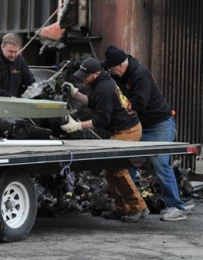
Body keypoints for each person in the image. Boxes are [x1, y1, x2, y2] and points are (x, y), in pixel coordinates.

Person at [102, 45, 187, 221]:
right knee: (124, 162)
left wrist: (117, 108)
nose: (111, 72)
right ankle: (132, 206)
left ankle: (176, 207)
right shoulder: (117, 76)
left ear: (120, 65)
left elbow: (138, 104)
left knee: (160, 162)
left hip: (159, 125)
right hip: (139, 125)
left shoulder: (140, 74)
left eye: (111, 69)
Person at [61, 58, 149, 222]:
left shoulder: (105, 88)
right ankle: (122, 208)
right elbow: (94, 103)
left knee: (118, 169)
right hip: (121, 129)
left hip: (128, 130)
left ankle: (139, 207)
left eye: (86, 76)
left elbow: (102, 120)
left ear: (96, 73)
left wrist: (78, 126)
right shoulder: (101, 82)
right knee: (110, 170)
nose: (83, 79)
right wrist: (76, 94)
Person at [0, 33, 35, 97]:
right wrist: (9, 97)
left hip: (17, 101)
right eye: (10, 51)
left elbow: (29, 80)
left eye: (16, 51)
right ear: (2, 47)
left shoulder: (20, 60)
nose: (13, 55)